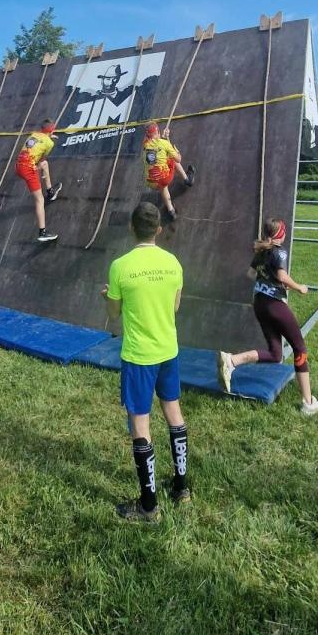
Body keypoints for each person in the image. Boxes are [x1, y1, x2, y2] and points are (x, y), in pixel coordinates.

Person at [102, 201, 190, 523]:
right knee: (173, 412)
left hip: (139, 356)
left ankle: (149, 506)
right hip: (168, 350)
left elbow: (114, 314)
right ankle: (181, 488)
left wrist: (108, 297)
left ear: (131, 228)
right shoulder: (174, 263)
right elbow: (175, 307)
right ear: (158, 230)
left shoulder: (120, 266)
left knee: (140, 424)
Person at [217, 217, 318, 417]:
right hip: (274, 305)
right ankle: (308, 403)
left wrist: (269, 278)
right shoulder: (279, 251)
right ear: (280, 234)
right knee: (299, 348)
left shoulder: (261, 252)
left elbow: (250, 274)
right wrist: (299, 288)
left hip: (259, 303)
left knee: (276, 354)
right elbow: (281, 276)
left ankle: (232, 361)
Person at [15, 119, 62, 243]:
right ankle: (43, 232)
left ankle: (50, 192)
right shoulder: (49, 143)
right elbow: (42, 157)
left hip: (19, 166)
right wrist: (50, 140)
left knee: (45, 165)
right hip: (28, 169)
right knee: (39, 200)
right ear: (52, 130)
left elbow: (39, 144)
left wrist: (49, 136)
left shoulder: (34, 134)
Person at [142, 122, 195, 222]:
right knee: (172, 159)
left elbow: (156, 144)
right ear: (157, 131)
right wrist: (173, 147)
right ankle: (187, 179)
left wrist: (163, 137)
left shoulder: (145, 144)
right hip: (164, 178)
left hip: (150, 181)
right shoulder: (164, 143)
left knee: (161, 185)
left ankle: (171, 211)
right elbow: (178, 159)